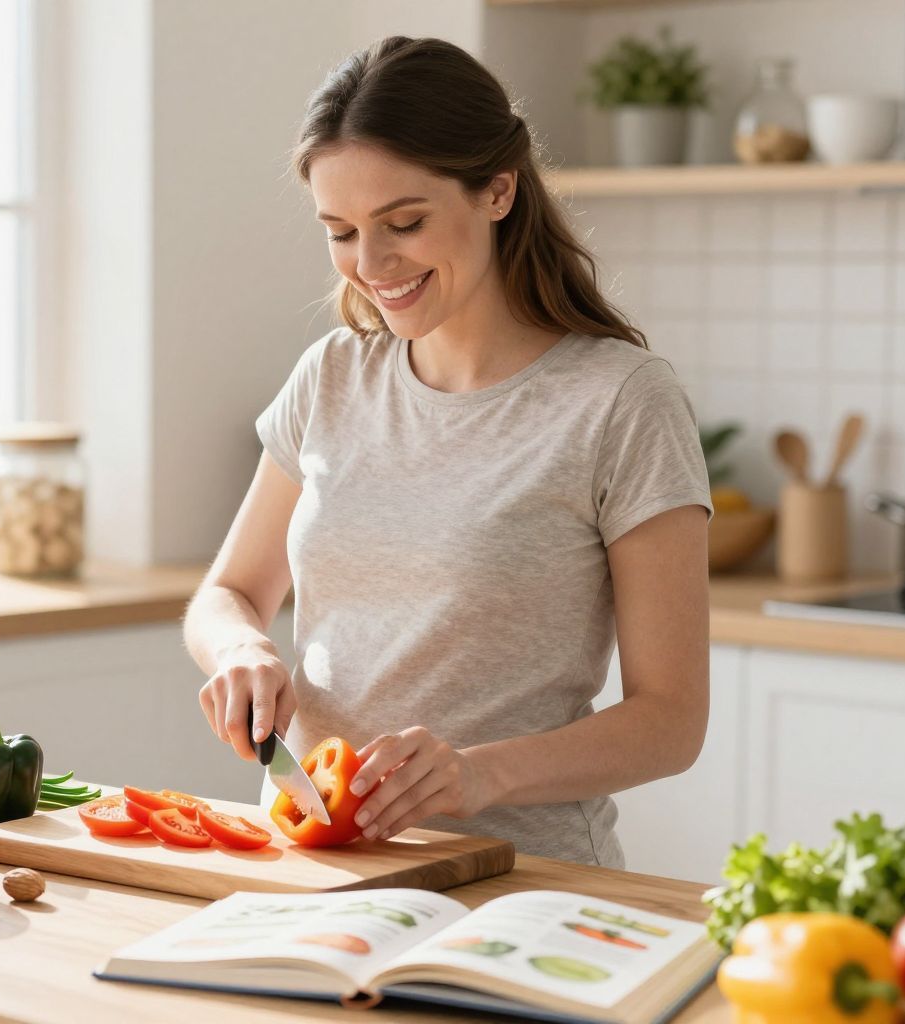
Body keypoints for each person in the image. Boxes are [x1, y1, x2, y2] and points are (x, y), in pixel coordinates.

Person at [181, 36, 712, 868]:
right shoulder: (331, 377)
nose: (372, 264)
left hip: (522, 881)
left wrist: (474, 776)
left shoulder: (619, 401)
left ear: (498, 190)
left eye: (405, 223)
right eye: (342, 231)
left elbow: (671, 721)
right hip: (318, 865)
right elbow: (229, 592)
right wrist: (241, 650)